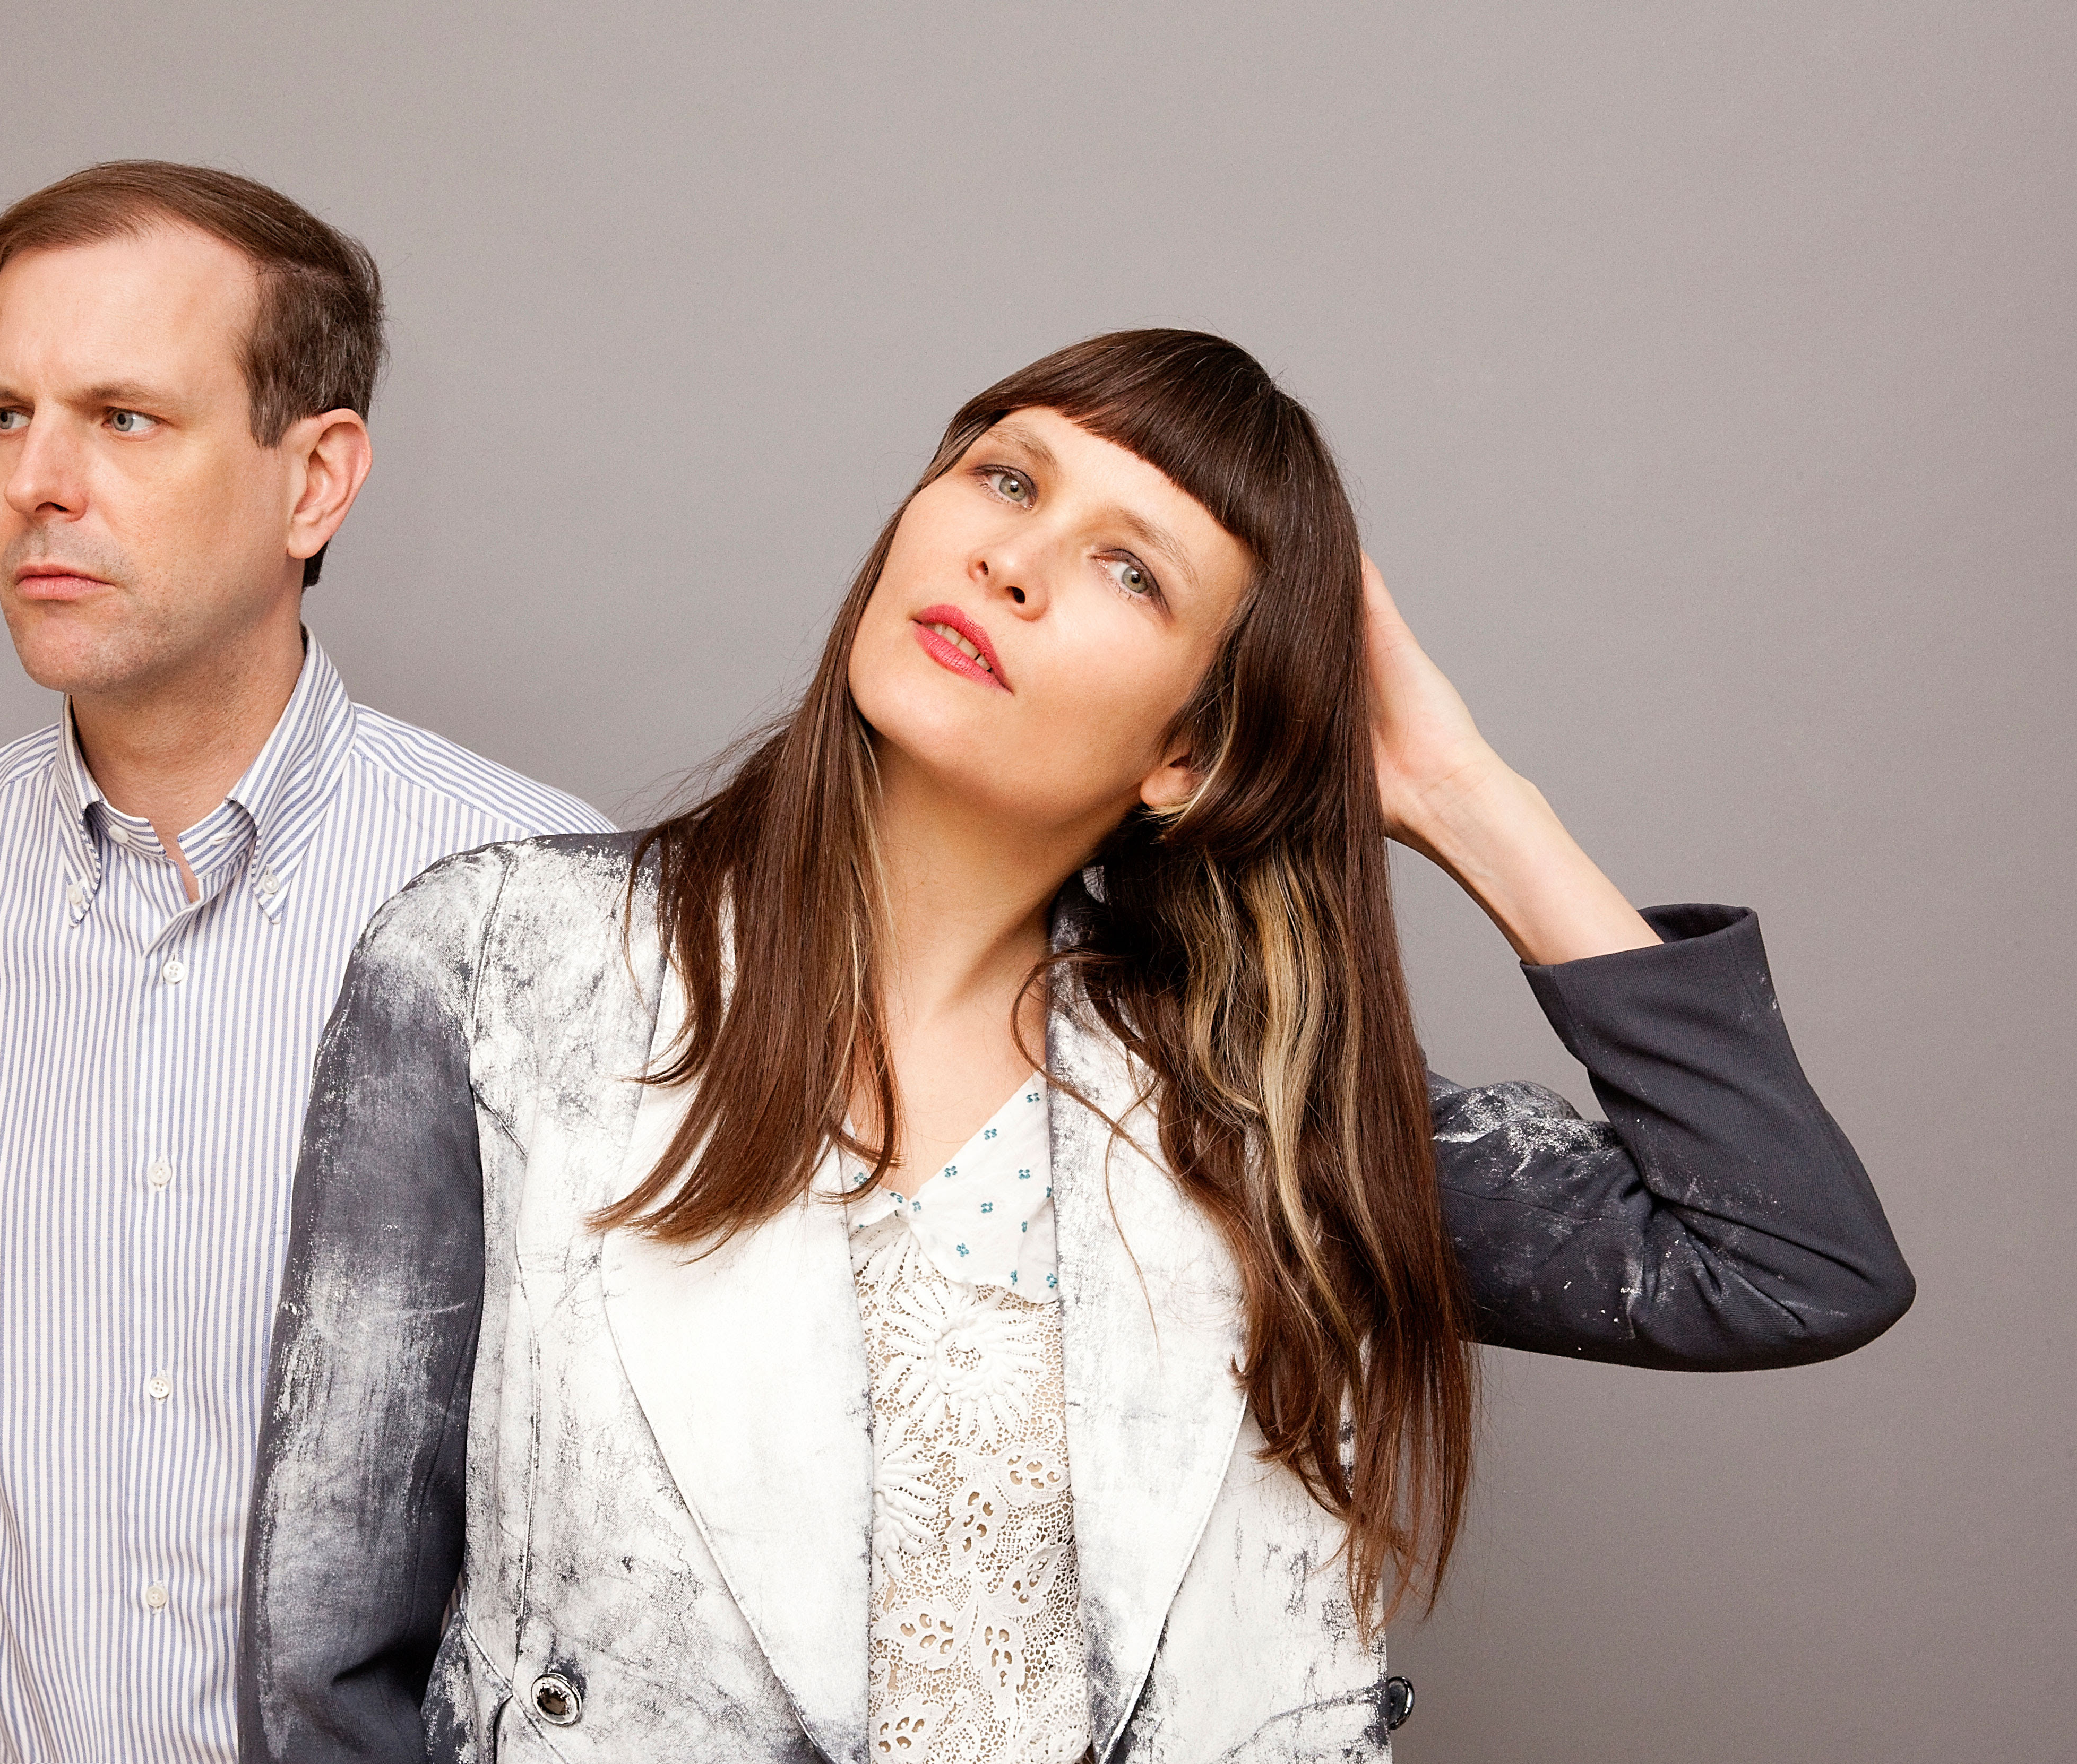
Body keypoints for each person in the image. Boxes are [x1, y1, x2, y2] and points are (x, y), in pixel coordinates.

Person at [238, 330, 1913, 1762]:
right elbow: (328, 1650)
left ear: (1187, 753)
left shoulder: (1256, 1103)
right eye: (1005, 477)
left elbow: (1785, 1262)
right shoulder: (500, 961)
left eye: (1132, 568)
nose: (1013, 560)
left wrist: (1464, 794)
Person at [0, 162, 613, 1763]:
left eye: (125, 417)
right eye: (5, 415)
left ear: (316, 481)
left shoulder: (549, 907)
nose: (37, 482)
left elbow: (610, 1519)